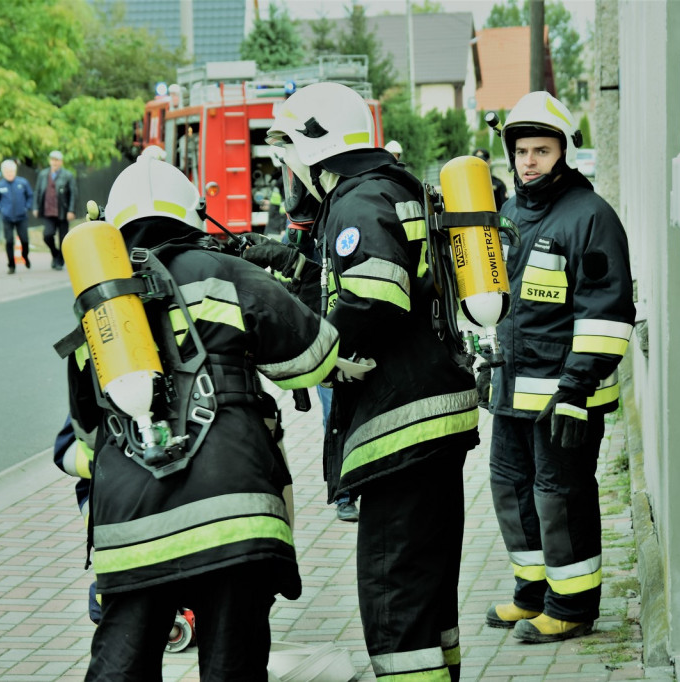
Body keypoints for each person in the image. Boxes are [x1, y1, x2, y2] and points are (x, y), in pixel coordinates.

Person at [59, 157, 340, 678]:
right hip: (234, 512)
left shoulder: (99, 312)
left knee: (122, 669)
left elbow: (85, 432)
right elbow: (315, 359)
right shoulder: (226, 272)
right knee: (233, 668)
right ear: (194, 213)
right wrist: (294, 273)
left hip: (130, 529)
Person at [263, 82, 480, 679]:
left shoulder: (357, 201)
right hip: (434, 413)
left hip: (401, 424)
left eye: (289, 156)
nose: (287, 174)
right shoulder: (392, 187)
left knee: (394, 598)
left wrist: (319, 353)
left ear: (316, 149)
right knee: (428, 589)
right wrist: (290, 264)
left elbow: (375, 294)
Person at [481, 91, 635, 643]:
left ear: (563, 152)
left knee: (560, 497)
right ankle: (533, 593)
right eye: (522, 151)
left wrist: (575, 389)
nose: (529, 162)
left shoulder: (591, 216)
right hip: (512, 391)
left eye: (541, 151)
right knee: (511, 489)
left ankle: (571, 606)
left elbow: (607, 312)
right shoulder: (508, 214)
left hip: (565, 397)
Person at [243, 178, 360, 523]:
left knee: (358, 413)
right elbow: (286, 294)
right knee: (334, 415)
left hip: (356, 332)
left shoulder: (348, 220)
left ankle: (365, 480)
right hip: (324, 340)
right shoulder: (297, 236)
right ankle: (345, 493)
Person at [33, 150, 77, 270]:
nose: (54, 162)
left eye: (57, 160)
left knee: (63, 239)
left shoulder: (68, 175)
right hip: (48, 211)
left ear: (61, 162)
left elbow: (73, 194)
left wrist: (71, 210)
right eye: (52, 160)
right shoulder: (43, 174)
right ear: (50, 161)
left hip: (63, 212)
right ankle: (55, 254)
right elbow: (37, 191)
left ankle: (59, 261)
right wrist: (36, 207)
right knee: (47, 235)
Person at [0, 159, 34, 274]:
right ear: (3, 173)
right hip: (7, 218)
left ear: (15, 171)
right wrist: (1, 209)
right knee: (9, 241)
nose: (9, 174)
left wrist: (27, 207)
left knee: (25, 240)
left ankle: (25, 256)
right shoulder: (0, 185)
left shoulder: (23, 183)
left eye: (11, 171)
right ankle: (11, 265)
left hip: (21, 217)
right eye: (7, 172)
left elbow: (30, 196)